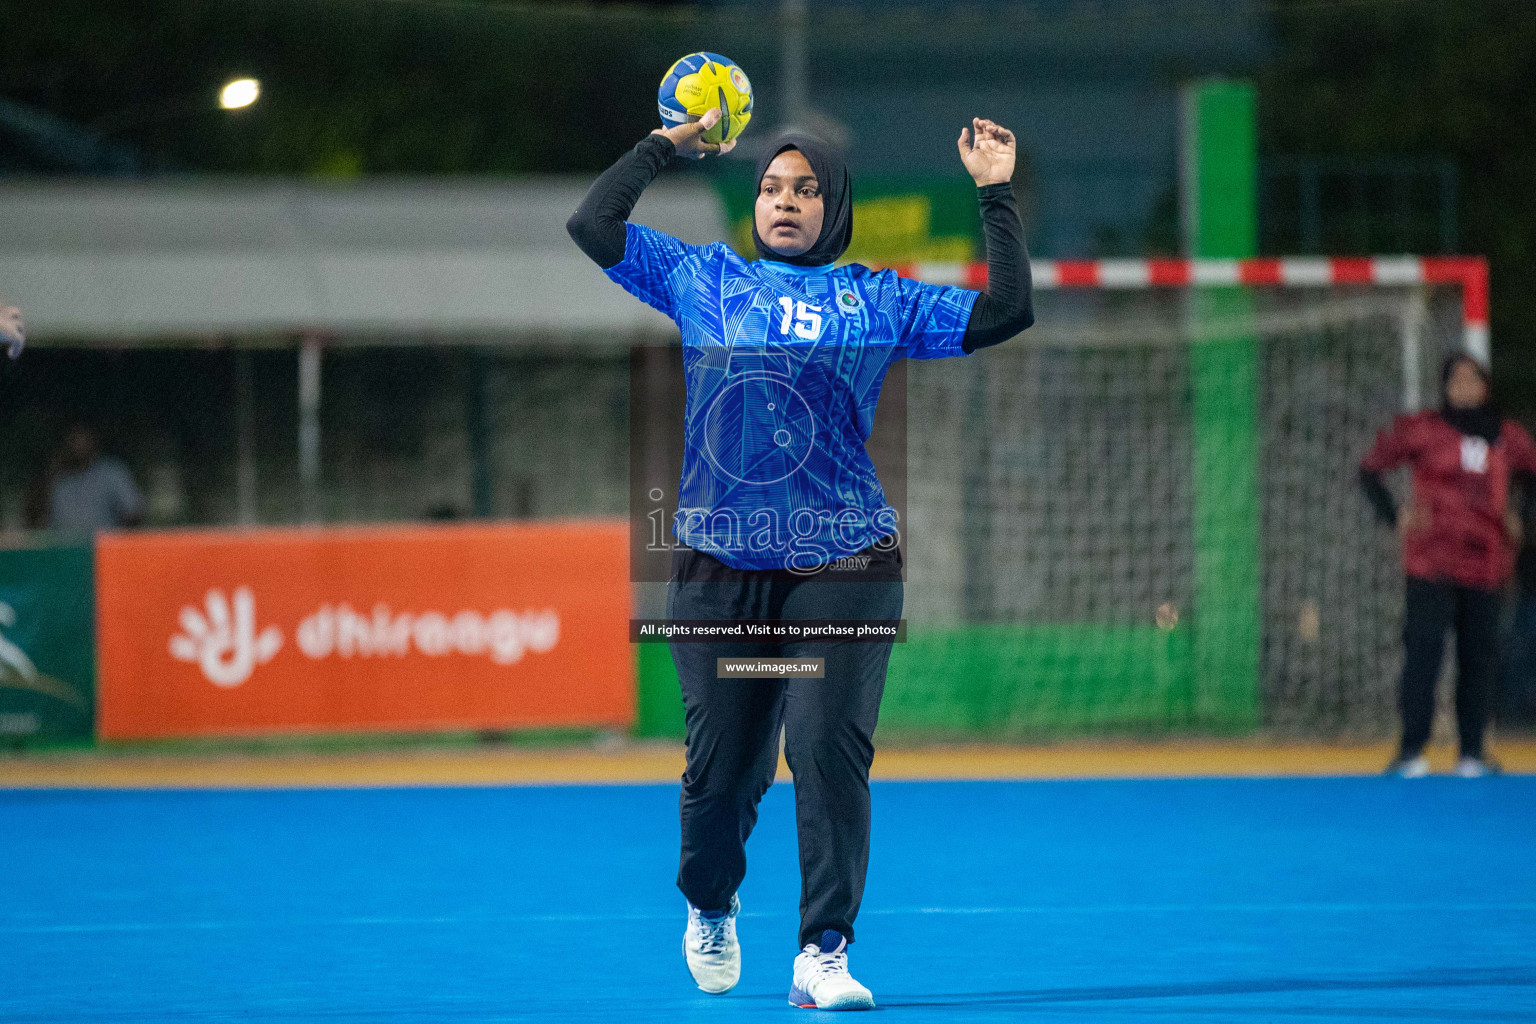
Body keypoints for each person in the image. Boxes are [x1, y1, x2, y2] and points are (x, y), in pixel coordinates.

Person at [568, 107, 1032, 1010]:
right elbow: (593, 226)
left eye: (806, 188)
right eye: (773, 187)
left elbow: (1006, 311)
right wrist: (665, 147)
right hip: (719, 567)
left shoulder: (880, 298)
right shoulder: (702, 278)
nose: (786, 201)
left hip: (845, 558)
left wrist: (996, 192)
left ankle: (823, 951)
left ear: (836, 205)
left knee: (824, 749)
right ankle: (711, 900)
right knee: (725, 770)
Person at [1360, 353, 1536, 778]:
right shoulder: (1424, 428)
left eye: (1471, 378)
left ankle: (1472, 752)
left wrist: (1521, 517)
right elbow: (1370, 469)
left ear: (1484, 386)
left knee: (1478, 661)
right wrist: (1394, 513)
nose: (1463, 386)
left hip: (1485, 566)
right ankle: (1411, 751)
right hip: (1431, 564)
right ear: (1445, 387)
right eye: (1455, 379)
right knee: (1423, 657)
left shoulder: (1506, 436)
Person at [33, 424, 145, 536]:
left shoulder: (111, 472)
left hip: (101, 548)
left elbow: (133, 512)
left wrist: (117, 543)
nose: (77, 443)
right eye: (72, 437)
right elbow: (36, 518)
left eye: (81, 436)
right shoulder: (56, 476)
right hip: (61, 548)